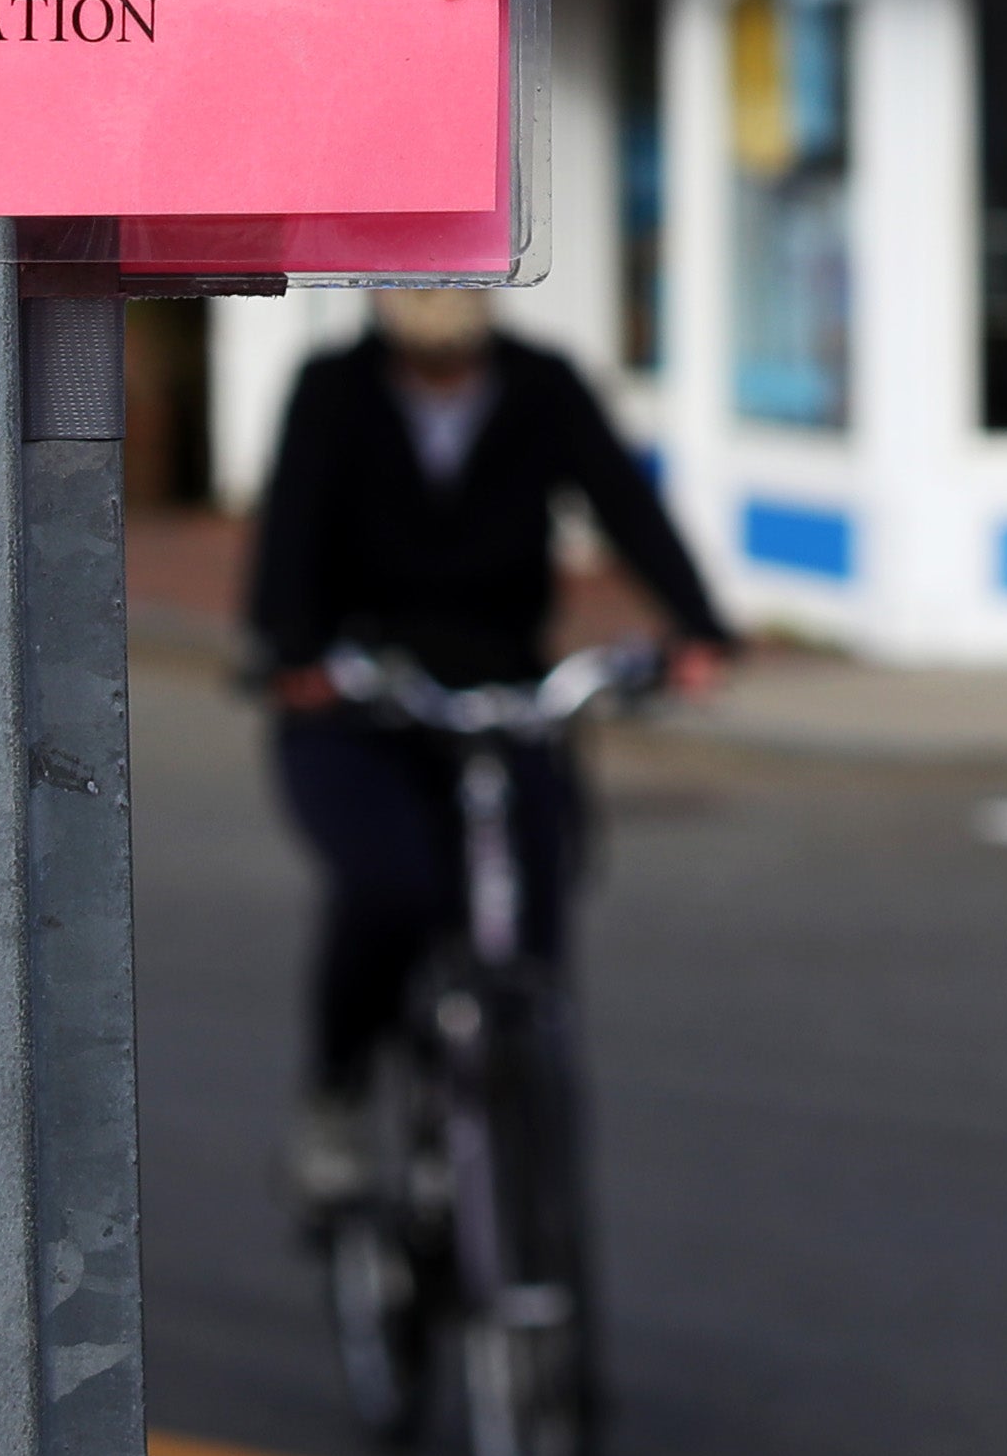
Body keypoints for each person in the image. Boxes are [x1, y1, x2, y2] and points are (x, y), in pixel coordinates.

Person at [240, 289, 733, 1204]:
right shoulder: (336, 387)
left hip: (501, 693)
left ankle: (510, 1149)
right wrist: (292, 651)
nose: (436, 303)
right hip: (364, 702)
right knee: (392, 887)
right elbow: (292, 524)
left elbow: (620, 499)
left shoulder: (540, 382)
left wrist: (696, 623)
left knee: (535, 904)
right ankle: (337, 1097)